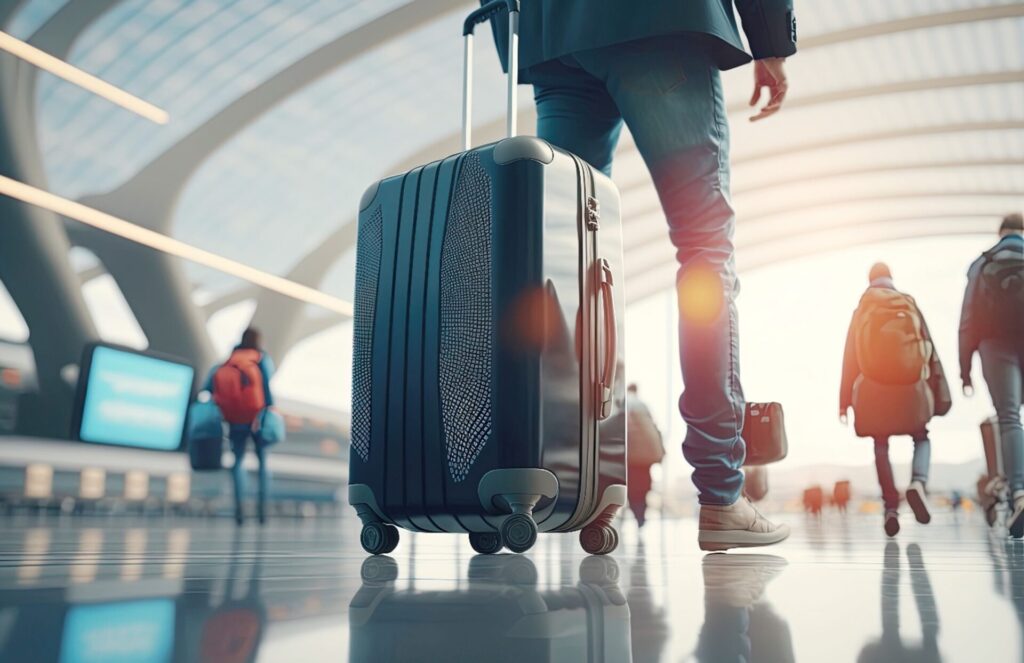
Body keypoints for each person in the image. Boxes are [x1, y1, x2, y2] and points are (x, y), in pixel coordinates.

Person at [485, 0, 797, 551]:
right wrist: (770, 39)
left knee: (561, 260)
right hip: (660, 21)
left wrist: (520, 30)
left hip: (556, 39)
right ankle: (722, 493)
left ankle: (565, 483)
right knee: (704, 250)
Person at [840, 263, 951, 537]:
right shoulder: (908, 303)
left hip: (874, 388)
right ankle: (918, 483)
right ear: (891, 278)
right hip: (911, 387)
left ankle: (890, 507)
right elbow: (929, 348)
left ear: (869, 280)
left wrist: (844, 401)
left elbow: (850, 359)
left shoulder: (862, 308)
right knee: (921, 436)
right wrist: (938, 390)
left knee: (880, 444)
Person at [960, 212, 1024, 537]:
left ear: (1001, 233)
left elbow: (968, 319)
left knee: (1009, 417)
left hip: (995, 348)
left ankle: (1018, 493)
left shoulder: (982, 264)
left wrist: (964, 370)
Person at [204, 327, 275, 525]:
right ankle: (262, 511)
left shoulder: (228, 361)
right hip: (258, 418)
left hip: (235, 420)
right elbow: (267, 390)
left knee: (237, 461)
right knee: (262, 463)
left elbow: (208, 387)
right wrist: (269, 411)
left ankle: (239, 510)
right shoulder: (260, 359)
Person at [625, 384, 665, 528]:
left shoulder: (625, 403)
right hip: (645, 456)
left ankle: (638, 514)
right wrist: (659, 452)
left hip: (631, 455)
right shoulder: (641, 405)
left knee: (633, 488)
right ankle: (640, 514)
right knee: (643, 486)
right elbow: (653, 430)